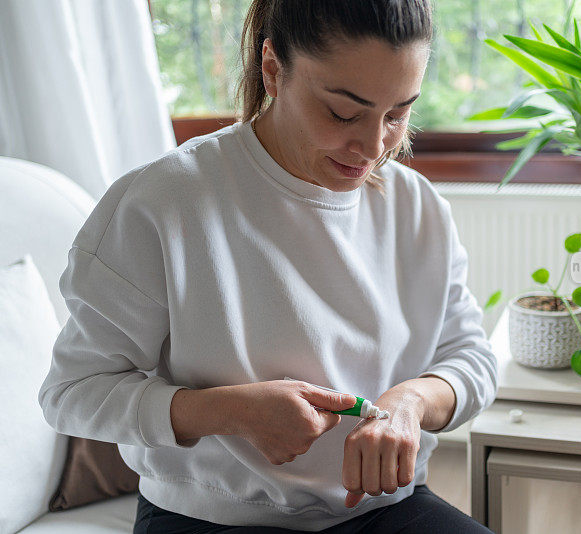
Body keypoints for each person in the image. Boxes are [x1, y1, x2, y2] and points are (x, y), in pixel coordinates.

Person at [38, 0, 498, 532]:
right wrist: (231, 412)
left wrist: (411, 402)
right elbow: (70, 393)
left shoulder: (417, 208)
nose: (374, 147)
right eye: (344, 113)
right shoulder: (163, 202)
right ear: (273, 69)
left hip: (383, 512)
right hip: (208, 516)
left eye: (397, 114)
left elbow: (470, 357)